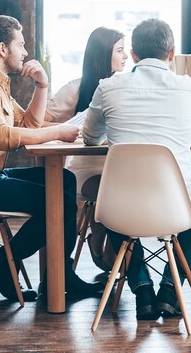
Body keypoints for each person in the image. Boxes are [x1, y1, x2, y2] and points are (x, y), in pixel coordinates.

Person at [0, 15, 102, 302]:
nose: (26, 52)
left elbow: (28, 124)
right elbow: (3, 137)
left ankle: (60, 275)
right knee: (61, 201)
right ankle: (2, 265)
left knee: (64, 180)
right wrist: (57, 131)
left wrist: (42, 86)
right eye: (21, 44)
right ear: (3, 49)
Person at [83, 18, 191, 321]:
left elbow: (90, 137)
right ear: (172, 53)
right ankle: (169, 292)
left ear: (133, 55)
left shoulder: (108, 87)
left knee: (108, 201)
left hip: (120, 210)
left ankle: (142, 288)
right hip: (177, 210)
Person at [44, 27, 127, 270]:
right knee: (112, 192)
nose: (125, 57)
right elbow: (39, 122)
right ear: (103, 54)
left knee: (125, 189)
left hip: (121, 169)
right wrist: (73, 130)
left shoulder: (126, 88)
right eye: (120, 50)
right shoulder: (75, 88)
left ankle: (107, 247)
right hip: (86, 170)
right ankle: (109, 249)